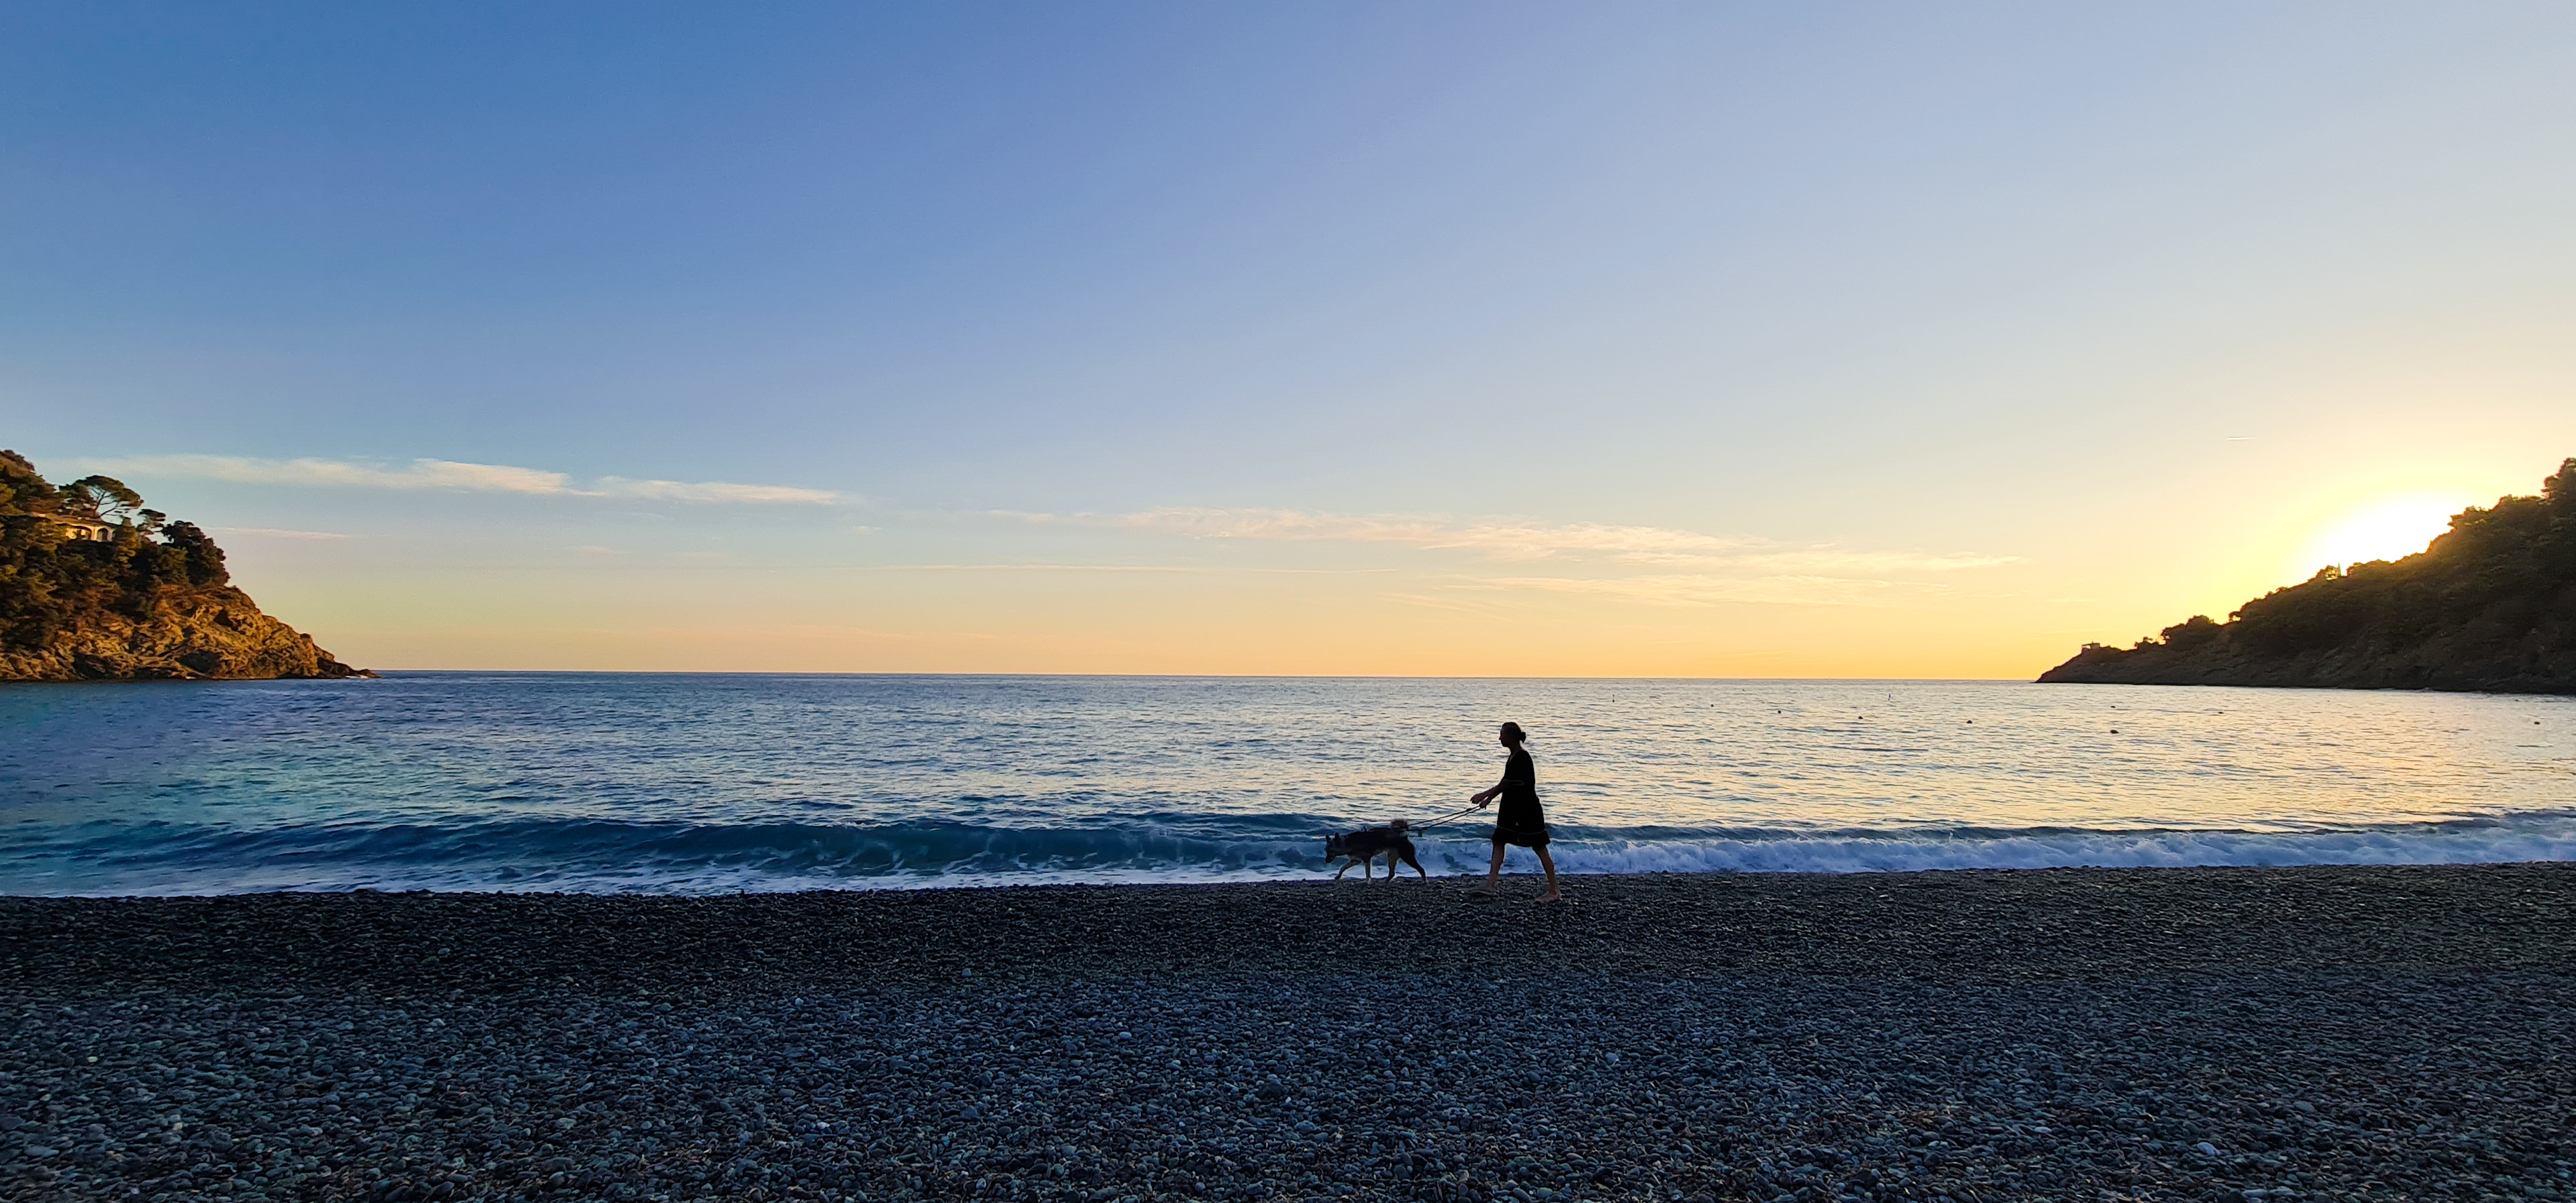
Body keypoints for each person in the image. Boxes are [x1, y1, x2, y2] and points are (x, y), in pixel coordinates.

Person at [1468, 721, 1561, 902]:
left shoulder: (1522, 758)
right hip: (1511, 808)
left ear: (1511, 736)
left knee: (1539, 847)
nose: (1499, 738)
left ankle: (1554, 891)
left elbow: (1507, 783)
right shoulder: (1513, 757)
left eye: (1502, 734)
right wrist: (1490, 799)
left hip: (1527, 810)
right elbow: (1506, 781)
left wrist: (1484, 794)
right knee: (1499, 840)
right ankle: (1492, 883)